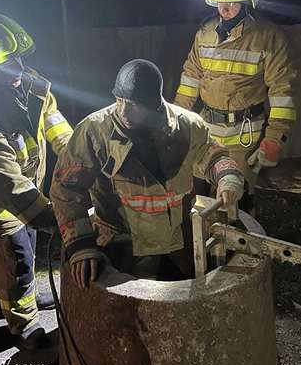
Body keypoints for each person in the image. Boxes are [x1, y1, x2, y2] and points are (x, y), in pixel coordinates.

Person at [50, 59, 245, 288]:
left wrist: (227, 178)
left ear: (153, 103)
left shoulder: (187, 126)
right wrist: (81, 246)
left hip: (179, 246)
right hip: (123, 247)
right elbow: (65, 188)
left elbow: (214, 157)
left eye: (133, 104)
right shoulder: (94, 131)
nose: (123, 111)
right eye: (119, 100)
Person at [0, 12, 73, 350]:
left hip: (27, 189)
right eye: (4, 66)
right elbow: (2, 178)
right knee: (15, 258)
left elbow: (56, 126)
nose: (16, 72)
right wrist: (52, 217)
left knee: (30, 245)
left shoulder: (32, 86)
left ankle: (29, 300)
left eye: (18, 61)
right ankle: (23, 323)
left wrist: (79, 160)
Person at [174, 0, 297, 189]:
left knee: (235, 200)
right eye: (220, 3)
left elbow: (282, 91)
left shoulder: (268, 38)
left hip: (245, 137)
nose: (224, 9)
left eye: (232, 3)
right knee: (199, 196)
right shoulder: (204, 34)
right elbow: (190, 78)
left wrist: (274, 138)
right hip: (206, 131)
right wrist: (177, 120)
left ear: (248, 1)